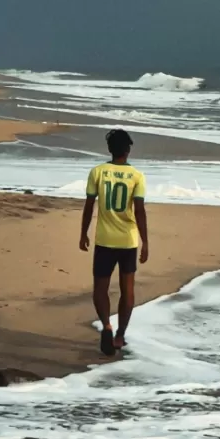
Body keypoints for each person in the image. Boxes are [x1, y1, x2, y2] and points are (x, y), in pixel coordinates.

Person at [79, 128, 149, 356]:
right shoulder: (137, 176)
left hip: (104, 241)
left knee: (100, 288)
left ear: (110, 150)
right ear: (128, 150)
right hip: (128, 242)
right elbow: (139, 211)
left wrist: (83, 233)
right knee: (127, 291)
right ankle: (120, 336)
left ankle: (106, 325)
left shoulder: (97, 172)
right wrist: (145, 241)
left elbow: (89, 205)